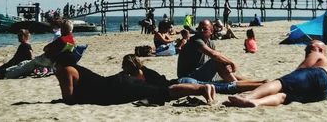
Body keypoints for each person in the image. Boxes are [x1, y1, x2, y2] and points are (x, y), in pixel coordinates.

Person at [54, 55, 216, 105]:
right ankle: (201, 89)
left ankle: (202, 89)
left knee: (163, 93)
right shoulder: (76, 69)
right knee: (161, 92)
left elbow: (68, 98)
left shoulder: (66, 71)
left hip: (114, 88)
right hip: (117, 84)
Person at [223, 40, 327, 107]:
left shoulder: (318, 54)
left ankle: (249, 97)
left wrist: (290, 78)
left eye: (310, 47)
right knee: (283, 96)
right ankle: (257, 102)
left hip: (318, 76)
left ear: (320, 50)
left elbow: (302, 69)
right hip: (320, 94)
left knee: (281, 83)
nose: (307, 50)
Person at [122, 54, 265, 95]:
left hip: (183, 83)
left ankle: (261, 84)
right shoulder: (144, 71)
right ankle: (261, 83)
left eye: (124, 65)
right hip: (183, 80)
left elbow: (145, 89)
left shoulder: (141, 75)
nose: (122, 67)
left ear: (130, 65)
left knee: (225, 87)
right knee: (223, 85)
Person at [1, 20, 75, 79]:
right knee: (25, 63)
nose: (60, 30)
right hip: (53, 61)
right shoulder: (71, 40)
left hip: (47, 60)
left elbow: (45, 49)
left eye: (61, 28)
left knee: (26, 66)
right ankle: (5, 71)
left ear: (64, 29)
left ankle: (6, 74)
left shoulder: (61, 40)